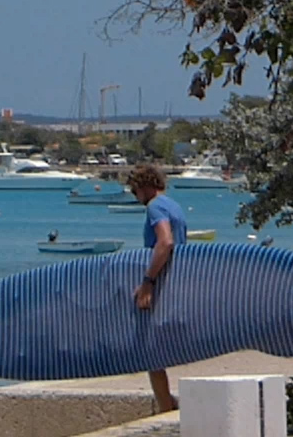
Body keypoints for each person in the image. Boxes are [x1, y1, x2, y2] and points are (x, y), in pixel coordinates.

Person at [128, 164, 188, 411]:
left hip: (161, 282)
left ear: (144, 186)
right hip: (177, 279)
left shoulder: (155, 207)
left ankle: (165, 405)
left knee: (150, 347)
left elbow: (165, 242)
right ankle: (168, 402)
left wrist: (148, 281)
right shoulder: (174, 205)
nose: (135, 197)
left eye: (135, 191)